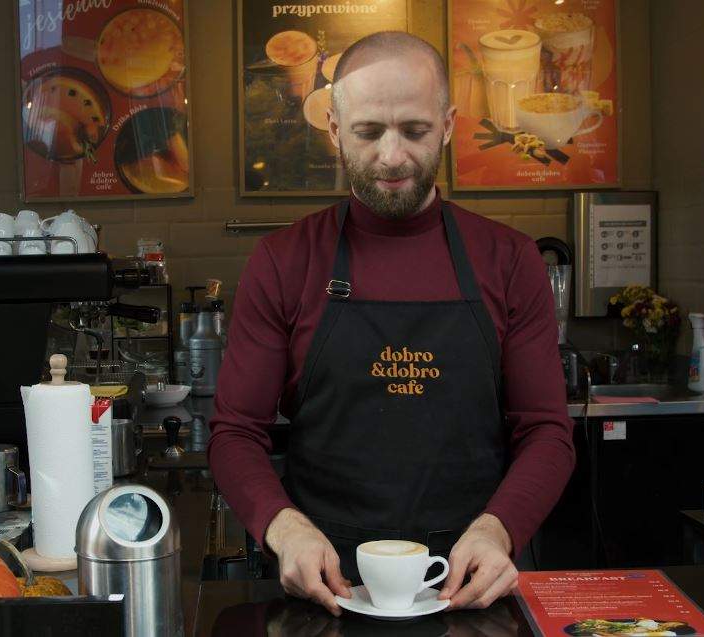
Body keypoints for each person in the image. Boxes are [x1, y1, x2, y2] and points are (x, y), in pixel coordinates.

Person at [207, 32, 575, 616]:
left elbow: (547, 431)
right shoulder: (284, 261)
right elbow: (234, 433)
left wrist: (499, 529)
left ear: (448, 126)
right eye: (368, 131)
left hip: (471, 581)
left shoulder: (509, 259)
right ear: (334, 129)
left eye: (415, 130)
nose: (393, 156)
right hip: (325, 581)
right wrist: (285, 529)